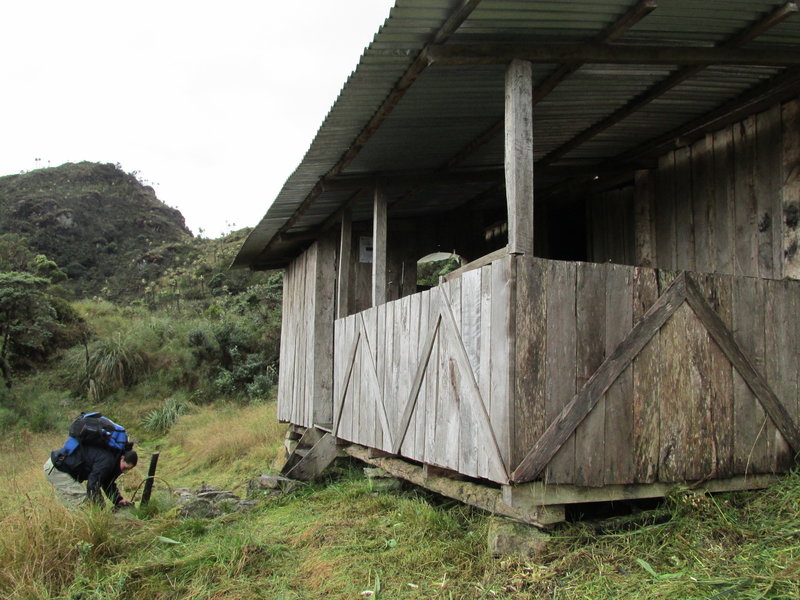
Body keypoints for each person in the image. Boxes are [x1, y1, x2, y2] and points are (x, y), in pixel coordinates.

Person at [44, 444, 138, 508]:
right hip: (57, 469)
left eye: (128, 469)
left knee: (78, 503)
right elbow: (93, 484)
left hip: (59, 468)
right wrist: (101, 507)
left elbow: (107, 483)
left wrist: (118, 500)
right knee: (85, 503)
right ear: (122, 458)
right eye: (125, 467)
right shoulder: (107, 461)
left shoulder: (114, 461)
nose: (124, 471)